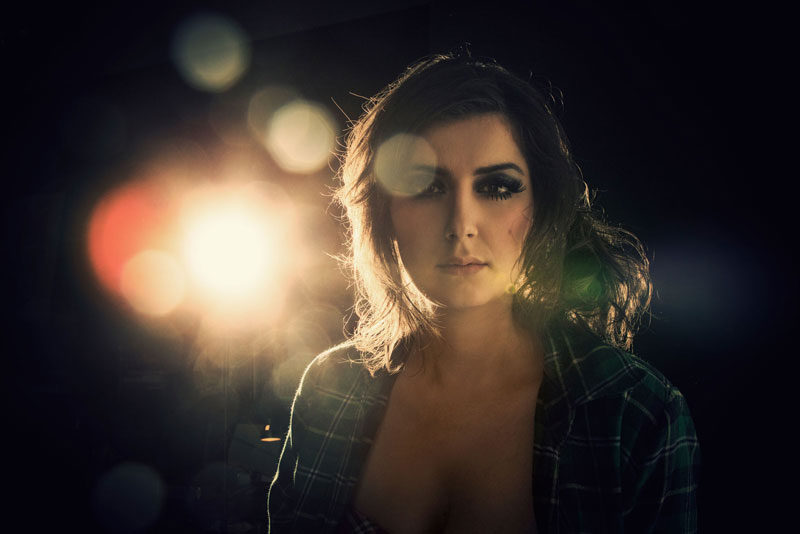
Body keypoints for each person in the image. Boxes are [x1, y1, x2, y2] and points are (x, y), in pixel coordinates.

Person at [268, 54, 700, 533]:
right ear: (382, 209)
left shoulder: (635, 411)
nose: (461, 225)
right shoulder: (330, 388)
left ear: (540, 205)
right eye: (425, 185)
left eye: (496, 187)